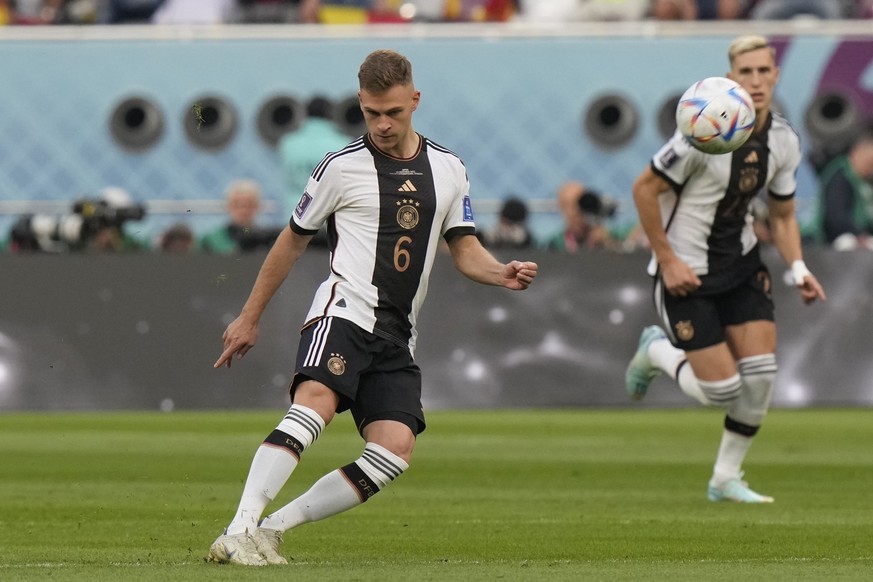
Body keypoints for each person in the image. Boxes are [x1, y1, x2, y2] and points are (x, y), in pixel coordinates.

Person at [207, 49, 538, 566]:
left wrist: (500, 272)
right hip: (345, 313)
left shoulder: (449, 169)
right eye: (371, 113)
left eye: (394, 113)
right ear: (361, 105)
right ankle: (237, 529)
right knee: (314, 401)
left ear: (415, 100)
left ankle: (272, 529)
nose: (382, 124)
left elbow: (464, 248)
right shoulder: (340, 168)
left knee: (393, 450)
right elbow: (291, 242)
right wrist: (250, 316)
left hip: (397, 334)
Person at [624, 35, 826, 504]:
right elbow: (643, 189)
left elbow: (783, 215)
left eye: (763, 71)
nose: (756, 80)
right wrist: (668, 261)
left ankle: (724, 478)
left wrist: (797, 268)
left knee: (760, 377)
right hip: (686, 275)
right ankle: (656, 351)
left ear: (775, 75)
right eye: (746, 72)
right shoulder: (700, 132)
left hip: (741, 266)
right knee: (721, 392)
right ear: (731, 78)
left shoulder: (783, 140)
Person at [277, 96, 350, 225]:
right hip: (329, 219)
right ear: (330, 114)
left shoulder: (287, 143)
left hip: (293, 214)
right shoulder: (343, 143)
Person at [818, 129, 873, 250]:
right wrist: (859, 234)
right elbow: (836, 218)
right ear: (856, 153)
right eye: (870, 163)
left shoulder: (867, 183)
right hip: (834, 241)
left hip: (864, 236)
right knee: (848, 242)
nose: (871, 169)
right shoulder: (840, 178)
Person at [200, 179, 280, 254]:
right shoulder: (211, 240)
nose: (244, 211)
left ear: (258, 206)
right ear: (228, 206)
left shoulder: (267, 239)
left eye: (249, 204)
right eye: (237, 205)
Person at [545, 180, 619, 251]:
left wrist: (608, 243)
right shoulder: (554, 244)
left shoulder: (610, 236)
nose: (576, 210)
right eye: (569, 205)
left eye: (579, 203)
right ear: (561, 208)